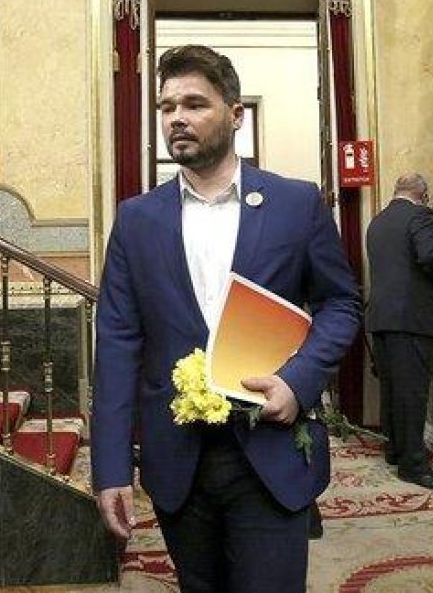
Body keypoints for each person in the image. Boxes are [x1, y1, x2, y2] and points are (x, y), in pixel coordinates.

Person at [91, 45, 360, 592]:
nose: (177, 118)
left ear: (235, 115)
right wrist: (111, 467)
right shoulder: (137, 220)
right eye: (167, 107)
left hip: (270, 448)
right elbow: (117, 342)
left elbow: (341, 304)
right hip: (177, 459)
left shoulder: (296, 204)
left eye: (194, 104)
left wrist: (299, 381)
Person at [365, 172, 433, 492]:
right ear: (424, 193)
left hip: (381, 317)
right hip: (411, 319)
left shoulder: (377, 222)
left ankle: (394, 450)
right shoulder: (420, 216)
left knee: (392, 390)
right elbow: (429, 255)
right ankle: (413, 466)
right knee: (413, 394)